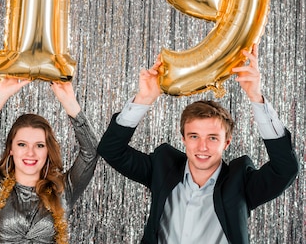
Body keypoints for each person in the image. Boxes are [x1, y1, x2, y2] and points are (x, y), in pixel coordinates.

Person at [97, 44, 299, 244]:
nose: (202, 147)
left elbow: (285, 169)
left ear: (226, 142)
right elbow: (111, 150)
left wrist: (256, 97)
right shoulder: (162, 168)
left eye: (212, 138)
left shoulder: (241, 184)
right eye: (194, 136)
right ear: (183, 138)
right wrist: (144, 98)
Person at [0, 78, 99, 243]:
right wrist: (0, 96)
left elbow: (91, 153)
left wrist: (70, 103)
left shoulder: (63, 190)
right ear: (11, 149)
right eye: (22, 144)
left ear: (48, 151)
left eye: (40, 145)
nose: (30, 153)